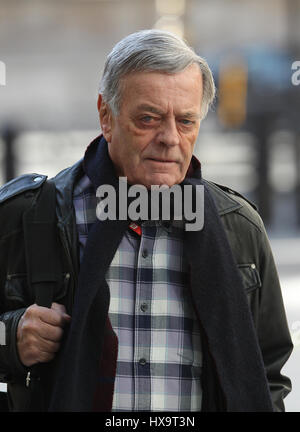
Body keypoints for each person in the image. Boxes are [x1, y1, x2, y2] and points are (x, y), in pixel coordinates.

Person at [0, 29, 293, 412]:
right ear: (106, 116)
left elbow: (268, 372)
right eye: (149, 118)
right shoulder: (28, 216)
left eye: (186, 121)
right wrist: (11, 336)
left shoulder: (239, 228)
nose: (170, 138)